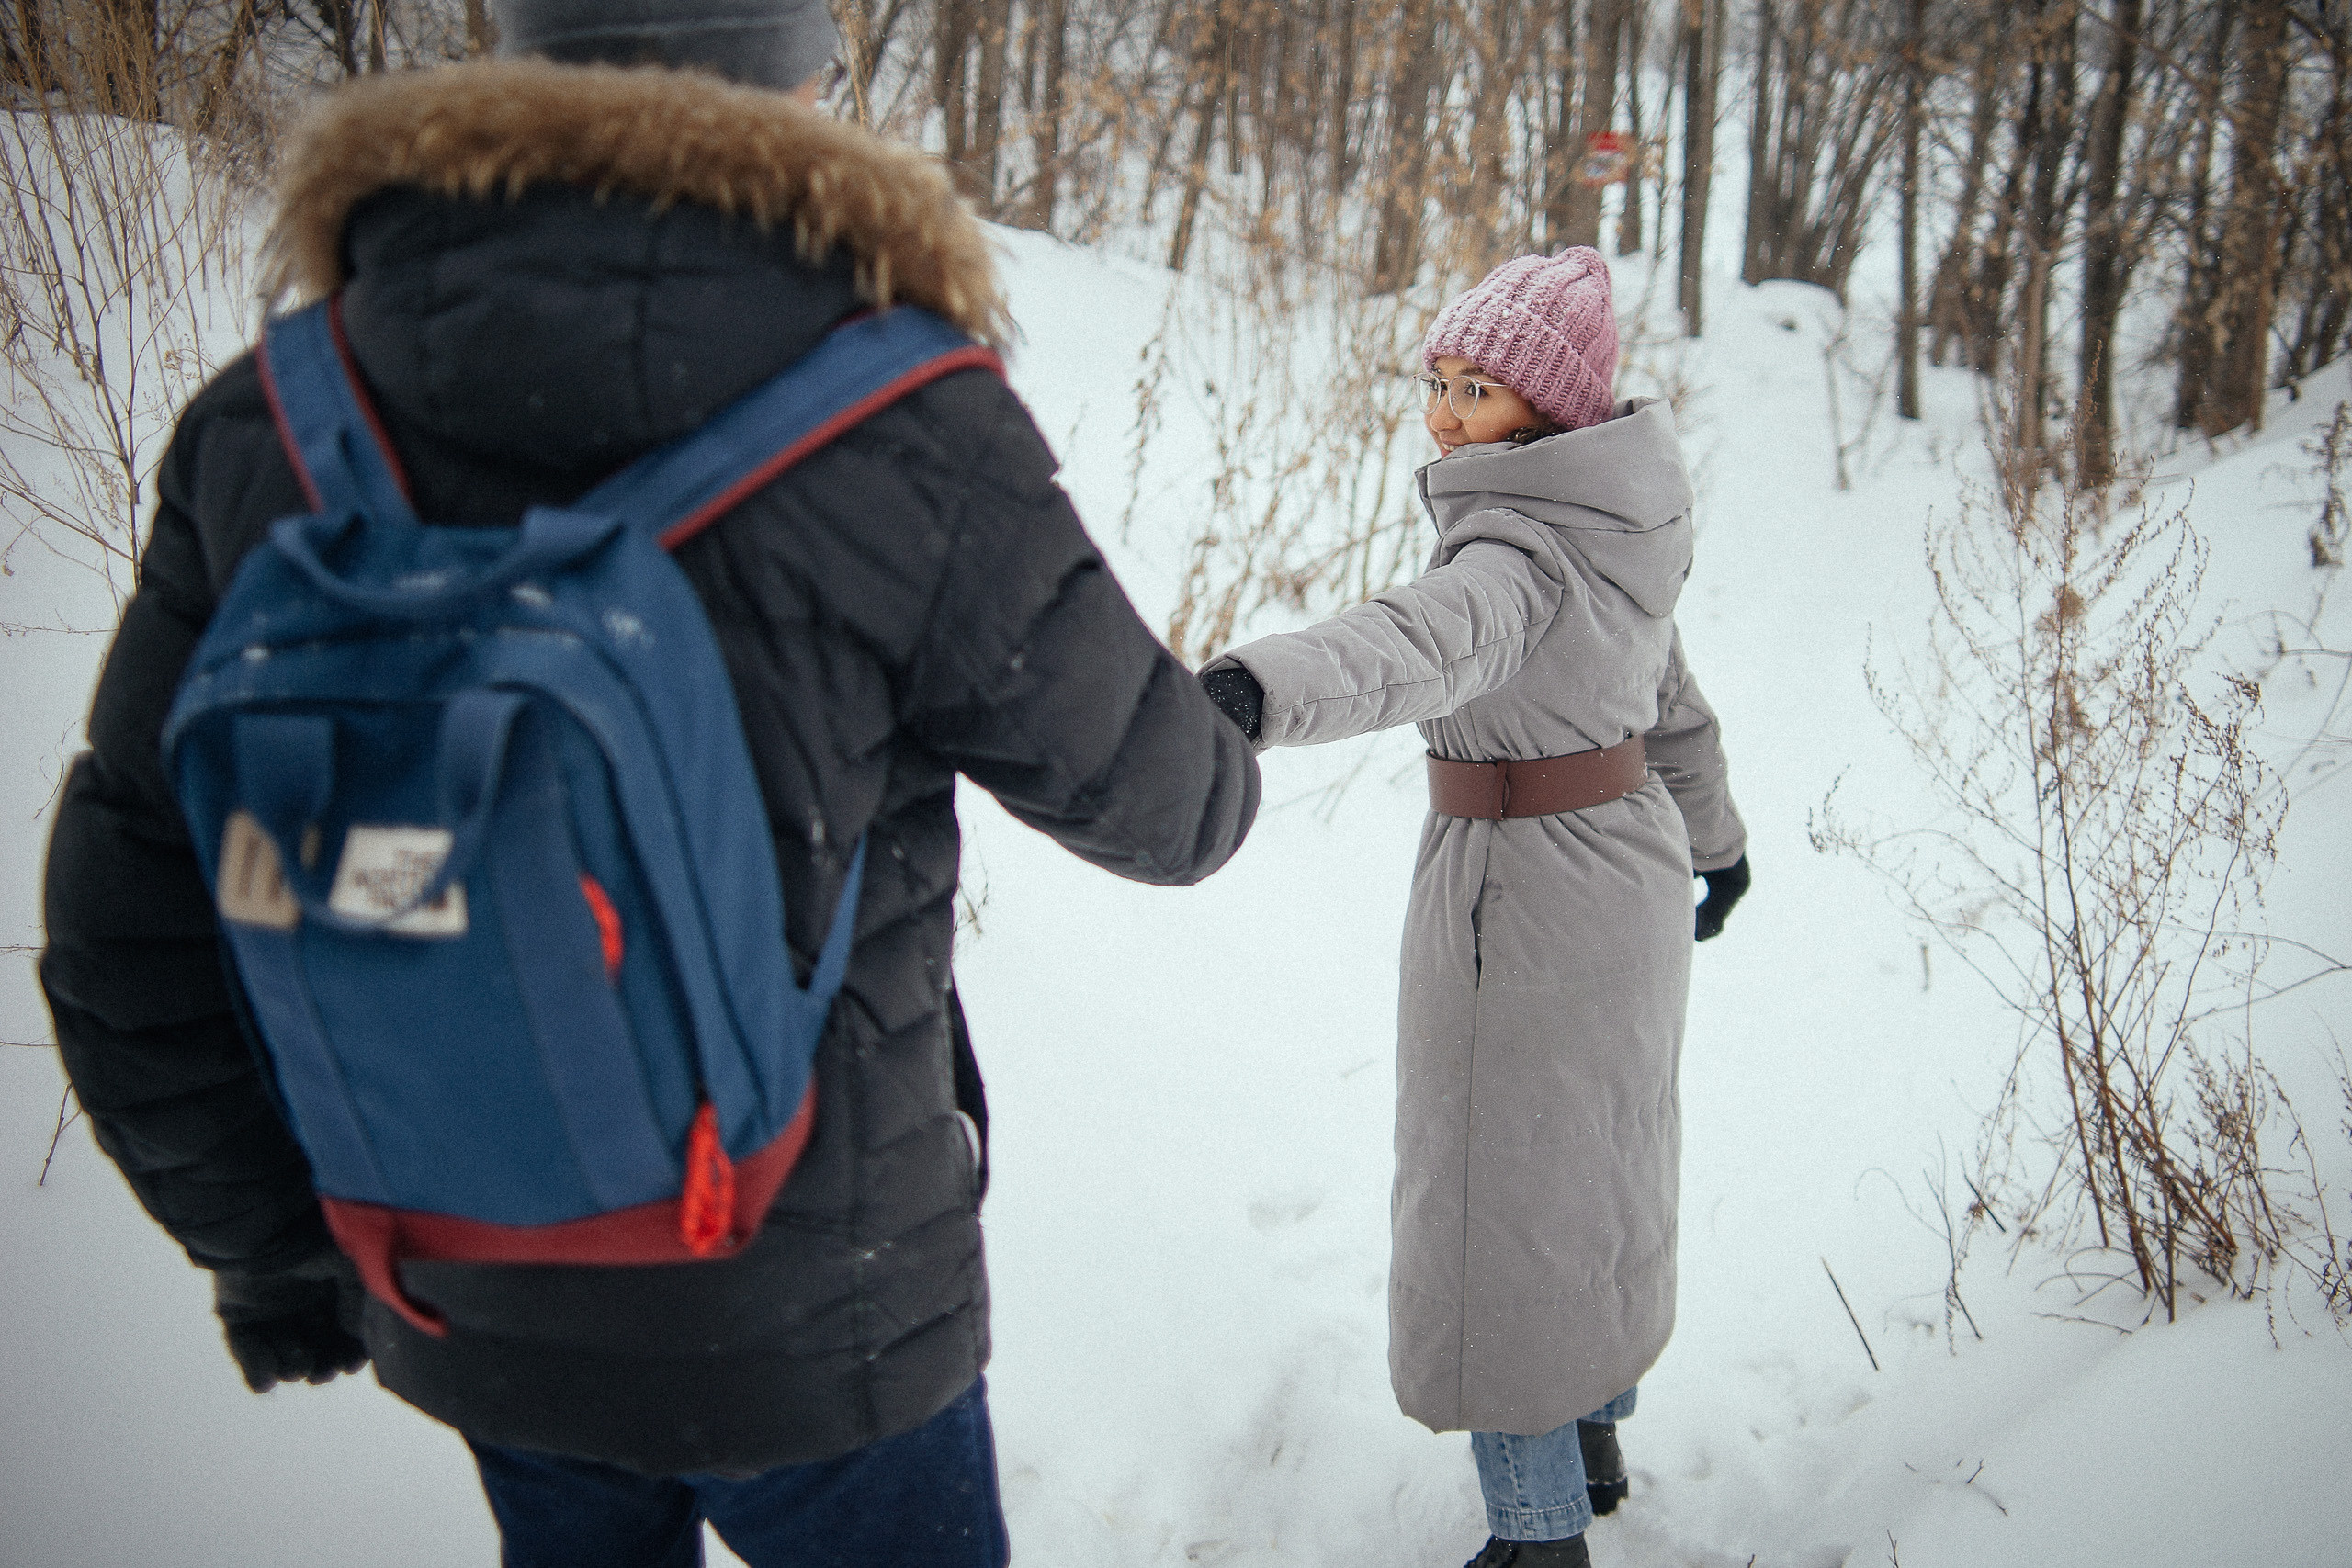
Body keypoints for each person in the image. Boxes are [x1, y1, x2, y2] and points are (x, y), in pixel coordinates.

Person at [36, 2, 1260, 1562]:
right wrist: (1230, 734)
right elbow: (1172, 812)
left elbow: (121, 919)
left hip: (474, 1289)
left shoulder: (277, 412)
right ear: (796, 83)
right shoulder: (905, 420)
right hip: (827, 1316)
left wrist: (283, 1249)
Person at [1198, 247, 1748, 1568]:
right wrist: (1717, 844)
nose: (1445, 415)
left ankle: (1538, 1534)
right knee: (1593, 1179)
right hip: (1626, 874)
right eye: (1437, 381)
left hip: (1525, 895)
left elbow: (1413, 640)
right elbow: (1670, 702)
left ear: (1549, 410)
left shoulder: (1514, 549)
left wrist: (1248, 691)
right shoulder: (1620, 527)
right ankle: (1594, 1439)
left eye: (1480, 390)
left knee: (1499, 1215)